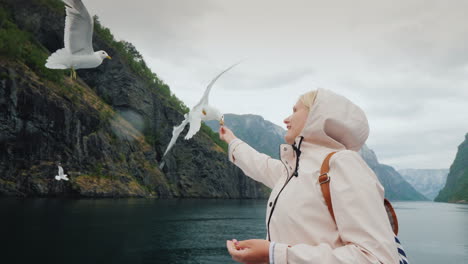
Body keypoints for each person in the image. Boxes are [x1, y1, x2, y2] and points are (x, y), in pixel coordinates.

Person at [219, 88, 399, 264]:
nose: (286, 119)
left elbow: (376, 258)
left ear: (316, 115)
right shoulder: (294, 170)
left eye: (295, 110)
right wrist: (231, 140)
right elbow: (259, 164)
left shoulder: (342, 163)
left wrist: (275, 254)